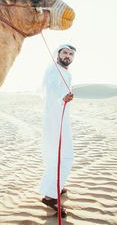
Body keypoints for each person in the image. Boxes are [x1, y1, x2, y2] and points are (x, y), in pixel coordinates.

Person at [39, 44, 76, 216]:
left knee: (57, 155)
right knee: (65, 156)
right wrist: (63, 97)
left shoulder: (64, 71)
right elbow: (51, 90)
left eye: (71, 54)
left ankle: (54, 187)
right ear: (58, 54)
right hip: (55, 119)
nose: (67, 56)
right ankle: (50, 197)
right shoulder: (54, 70)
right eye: (65, 52)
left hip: (60, 118)